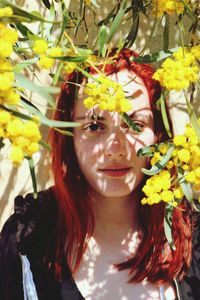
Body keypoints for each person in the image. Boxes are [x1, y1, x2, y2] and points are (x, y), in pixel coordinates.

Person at [0, 48, 199, 300]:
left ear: (158, 133)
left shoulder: (191, 237)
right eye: (94, 126)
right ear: (69, 136)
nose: (115, 149)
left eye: (135, 124)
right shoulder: (28, 238)